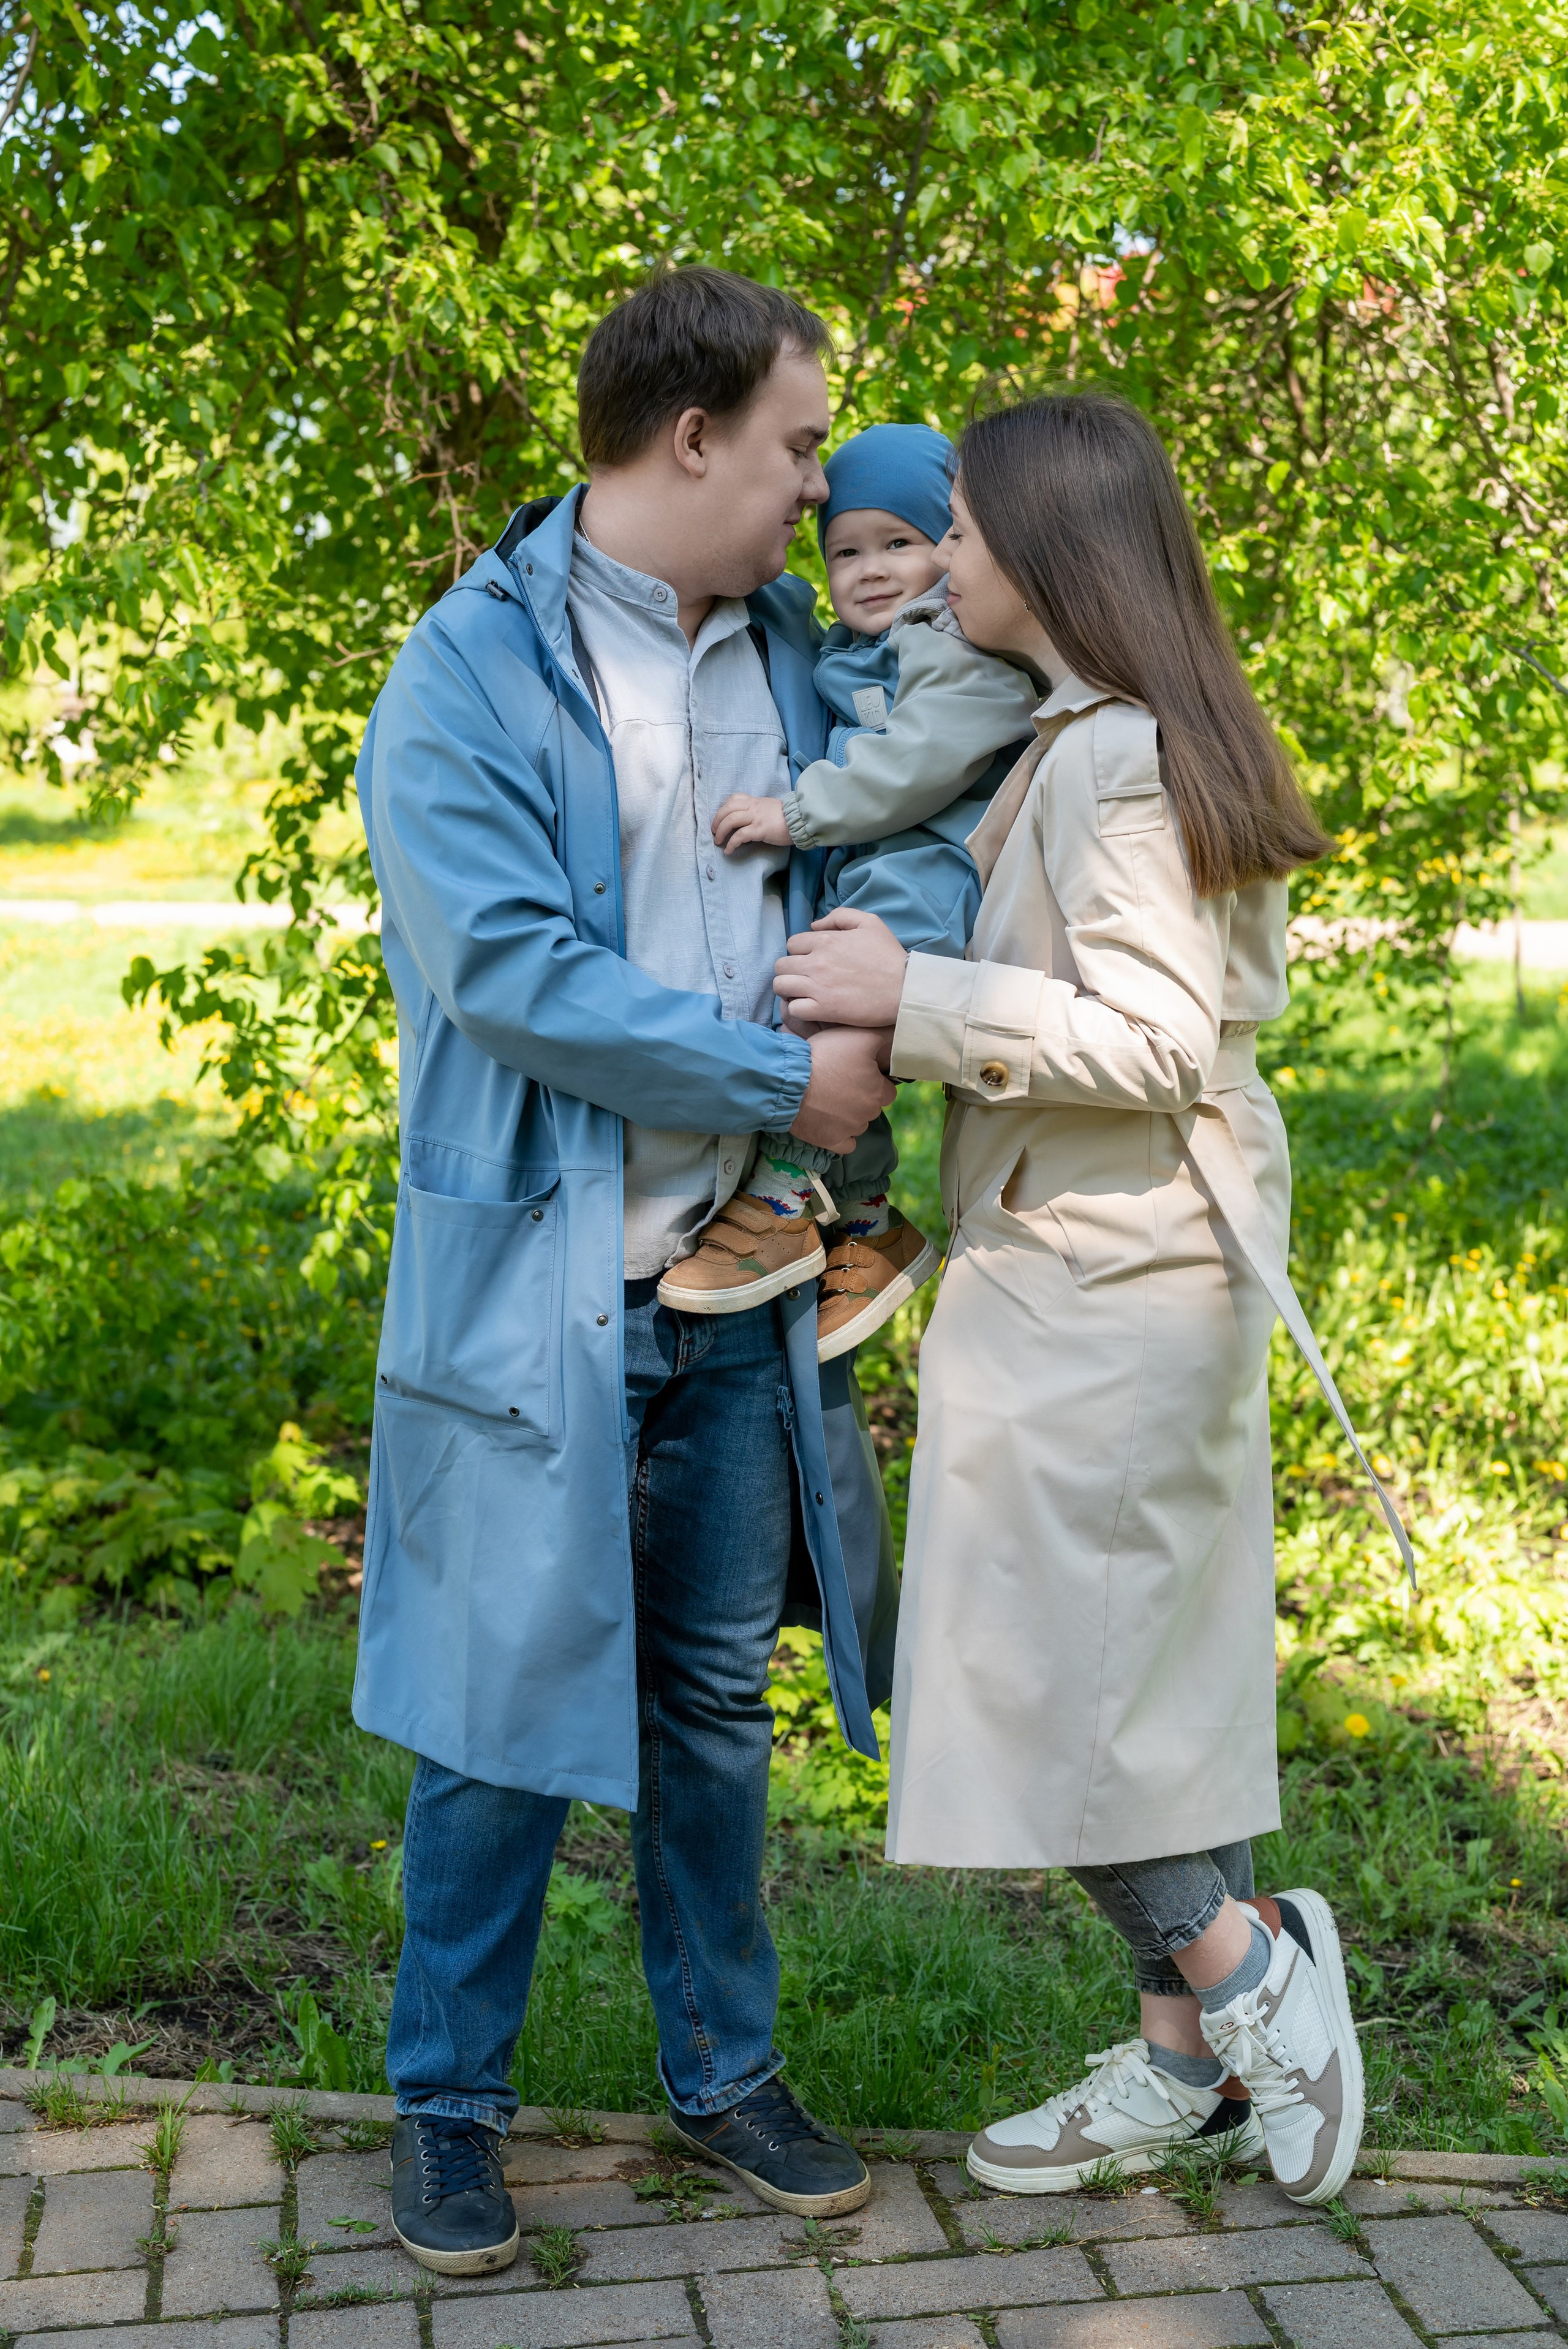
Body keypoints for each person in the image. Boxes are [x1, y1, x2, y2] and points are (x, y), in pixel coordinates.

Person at [353, 266, 985, 2275]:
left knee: (712, 1708)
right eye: (802, 444)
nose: (825, 490)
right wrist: (776, 1074)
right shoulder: (469, 671)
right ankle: (448, 2107)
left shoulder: (806, 655)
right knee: (495, 1714)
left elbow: (909, 820)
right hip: (541, 1287)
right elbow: (512, 971)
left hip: (748, 1290)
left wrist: (882, 1024)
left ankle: (725, 2074)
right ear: (690, 433)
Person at [772, 388, 1381, 2210]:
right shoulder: (1088, 732)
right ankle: (1184, 2061)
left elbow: (1156, 1036)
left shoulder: (1112, 757)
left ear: (1048, 548)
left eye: (958, 529)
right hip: (1102, 1251)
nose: (933, 556)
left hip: (1112, 1263)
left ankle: (1251, 1975)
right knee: (1145, 1681)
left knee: (1052, 1680)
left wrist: (914, 990)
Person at [660, 423, 1038, 1360]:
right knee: (829, 1020)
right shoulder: (854, 648)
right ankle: (867, 1225)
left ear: (949, 550)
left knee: (845, 1034)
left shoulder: (954, 648)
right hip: (875, 876)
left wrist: (796, 813)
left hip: (930, 880)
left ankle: (784, 1196)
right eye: (845, 552)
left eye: (900, 543)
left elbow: (917, 763)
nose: (870, 569)